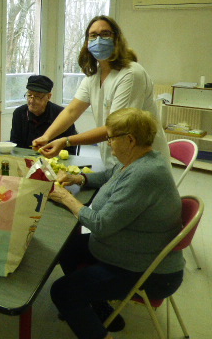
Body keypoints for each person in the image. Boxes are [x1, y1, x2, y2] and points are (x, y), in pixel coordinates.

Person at [48, 108, 184, 339]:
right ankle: (98, 306)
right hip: (128, 251)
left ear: (129, 140)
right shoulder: (141, 159)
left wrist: (66, 198)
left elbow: (100, 224)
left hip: (146, 271)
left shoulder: (145, 175)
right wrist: (79, 177)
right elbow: (110, 175)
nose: (109, 143)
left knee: (62, 291)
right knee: (65, 245)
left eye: (111, 138)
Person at [33, 15, 169, 169]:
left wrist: (66, 141)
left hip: (144, 163)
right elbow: (71, 111)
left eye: (105, 34)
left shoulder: (131, 74)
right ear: (87, 43)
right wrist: (47, 136)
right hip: (116, 160)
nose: (99, 40)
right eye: (93, 35)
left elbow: (116, 128)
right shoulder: (94, 77)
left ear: (117, 39)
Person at [9, 74, 78, 154]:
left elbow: (70, 151)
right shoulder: (19, 113)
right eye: (29, 95)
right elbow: (15, 146)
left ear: (48, 97)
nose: (31, 101)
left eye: (37, 97)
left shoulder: (62, 116)